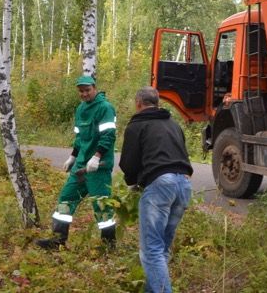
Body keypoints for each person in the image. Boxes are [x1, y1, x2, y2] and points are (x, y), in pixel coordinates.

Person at [120, 86, 193, 293]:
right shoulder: (173, 124)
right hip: (183, 185)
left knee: (151, 251)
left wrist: (132, 182)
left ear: (138, 104)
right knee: (161, 248)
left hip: (160, 185)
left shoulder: (136, 126)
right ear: (157, 103)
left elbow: (128, 163)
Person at [36, 75, 118, 249]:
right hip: (81, 165)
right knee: (66, 198)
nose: (84, 94)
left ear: (94, 88)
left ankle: (109, 245)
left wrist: (97, 156)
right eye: (81, 91)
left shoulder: (105, 108)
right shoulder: (80, 109)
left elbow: (109, 136)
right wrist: (73, 157)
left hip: (98, 168)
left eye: (87, 90)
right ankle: (57, 240)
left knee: (102, 206)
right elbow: (80, 137)